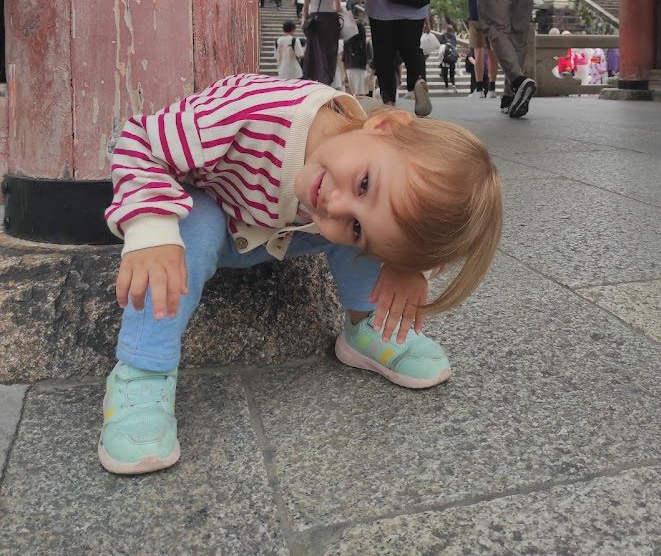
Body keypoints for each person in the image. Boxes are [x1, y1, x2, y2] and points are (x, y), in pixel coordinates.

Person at [98, 73, 503, 474]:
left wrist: (406, 264)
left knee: (376, 230)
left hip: (276, 230)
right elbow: (140, 143)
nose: (336, 203)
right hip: (211, 216)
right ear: (383, 125)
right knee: (193, 232)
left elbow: (395, 217)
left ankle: (365, 326)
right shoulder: (251, 112)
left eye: (358, 225)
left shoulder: (358, 174)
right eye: (364, 184)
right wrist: (151, 229)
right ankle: (142, 370)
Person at [301, 0, 343, 86]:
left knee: (314, 51)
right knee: (330, 52)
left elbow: (305, 8)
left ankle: (314, 80)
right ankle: (328, 79)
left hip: (314, 21)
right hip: (330, 21)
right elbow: (338, 7)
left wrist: (305, 23)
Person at [458, 0, 498, 97]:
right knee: (492, 53)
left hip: (476, 17)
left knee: (478, 53)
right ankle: (492, 88)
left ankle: (479, 89)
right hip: (491, 17)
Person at [342, 17, 370, 97]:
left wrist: (345, 75)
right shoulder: (365, 43)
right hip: (362, 70)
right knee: (362, 96)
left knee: (351, 95)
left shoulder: (347, 42)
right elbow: (370, 58)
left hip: (349, 70)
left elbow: (343, 59)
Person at [439, 23, 459, 90]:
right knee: (452, 71)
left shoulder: (443, 36)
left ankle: (446, 86)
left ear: (446, 29)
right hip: (452, 57)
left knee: (445, 72)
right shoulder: (453, 37)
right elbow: (455, 46)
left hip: (445, 57)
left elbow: (441, 45)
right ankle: (453, 84)